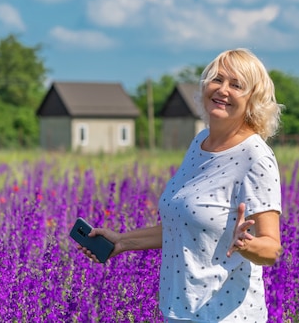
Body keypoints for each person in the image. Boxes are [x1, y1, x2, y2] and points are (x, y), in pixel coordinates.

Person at [78, 48, 284, 322]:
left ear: (253, 100)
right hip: (179, 311)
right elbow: (183, 227)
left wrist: (247, 245)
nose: (222, 90)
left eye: (236, 85)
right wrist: (122, 242)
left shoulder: (255, 157)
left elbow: (272, 250)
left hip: (226, 316)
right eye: (217, 79)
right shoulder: (200, 143)